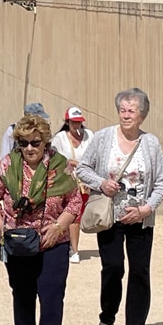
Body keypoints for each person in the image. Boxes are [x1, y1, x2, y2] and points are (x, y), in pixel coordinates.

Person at [0, 113, 82, 325]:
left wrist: (59, 226)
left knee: (52, 293)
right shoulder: (7, 165)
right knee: (22, 290)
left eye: (35, 142)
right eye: (23, 143)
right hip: (18, 241)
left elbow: (74, 201)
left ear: (45, 142)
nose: (29, 148)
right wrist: (2, 224)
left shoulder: (60, 167)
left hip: (53, 240)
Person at [75, 88, 163, 325]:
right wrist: (101, 183)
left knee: (140, 271)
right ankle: (106, 320)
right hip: (109, 216)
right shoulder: (104, 137)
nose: (126, 115)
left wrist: (147, 209)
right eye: (122, 110)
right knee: (113, 268)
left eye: (132, 111)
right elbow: (83, 168)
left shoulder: (151, 143)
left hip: (140, 218)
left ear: (142, 115)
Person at [51, 106, 94, 264]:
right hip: (67, 183)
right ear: (67, 122)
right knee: (73, 215)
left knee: (81, 216)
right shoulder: (60, 138)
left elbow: (95, 158)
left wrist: (78, 164)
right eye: (73, 122)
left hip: (86, 183)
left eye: (79, 122)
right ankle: (74, 250)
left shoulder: (90, 136)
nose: (77, 125)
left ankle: (69, 245)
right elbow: (55, 161)